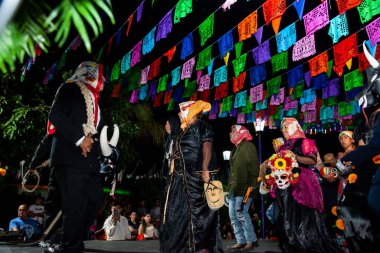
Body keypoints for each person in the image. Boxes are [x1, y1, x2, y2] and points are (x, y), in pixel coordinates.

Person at [47, 61, 105, 253]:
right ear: (89, 74)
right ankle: (69, 246)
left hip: (88, 159)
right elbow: (55, 115)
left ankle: (63, 238)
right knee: (75, 205)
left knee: (95, 198)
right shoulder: (69, 88)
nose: (103, 79)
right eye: (100, 74)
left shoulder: (94, 98)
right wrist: (80, 139)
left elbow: (93, 131)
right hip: (69, 156)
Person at [260, 117, 340, 252]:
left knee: (302, 216)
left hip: (302, 184)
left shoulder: (305, 142)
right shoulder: (282, 146)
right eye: (282, 127)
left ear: (295, 127)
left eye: (286, 127)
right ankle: (290, 245)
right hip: (284, 185)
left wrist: (295, 157)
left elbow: (312, 161)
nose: (283, 130)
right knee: (286, 216)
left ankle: (304, 246)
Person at [159, 100, 223, 252]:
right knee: (179, 212)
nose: (180, 115)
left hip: (196, 177)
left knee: (198, 212)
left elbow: (207, 146)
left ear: (191, 111)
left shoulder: (201, 126)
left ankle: (201, 246)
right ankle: (184, 245)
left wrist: (205, 168)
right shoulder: (185, 130)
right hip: (181, 178)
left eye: (182, 111)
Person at [227, 125, 259, 250]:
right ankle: (241, 241)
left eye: (233, 131)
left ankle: (251, 241)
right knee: (233, 216)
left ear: (241, 133)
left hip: (245, 188)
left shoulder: (248, 146)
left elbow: (254, 168)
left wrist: (252, 187)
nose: (230, 133)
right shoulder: (236, 148)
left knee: (241, 213)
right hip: (233, 188)